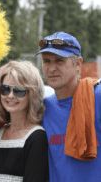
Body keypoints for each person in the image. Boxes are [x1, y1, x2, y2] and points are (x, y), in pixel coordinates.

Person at [37, 31, 101, 182]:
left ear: (78, 64)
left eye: (59, 61)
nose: (51, 69)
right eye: (47, 61)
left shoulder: (96, 96)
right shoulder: (43, 107)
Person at [0, 61, 49, 182]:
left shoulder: (37, 138)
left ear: (32, 94)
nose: (10, 96)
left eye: (19, 91)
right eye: (5, 89)